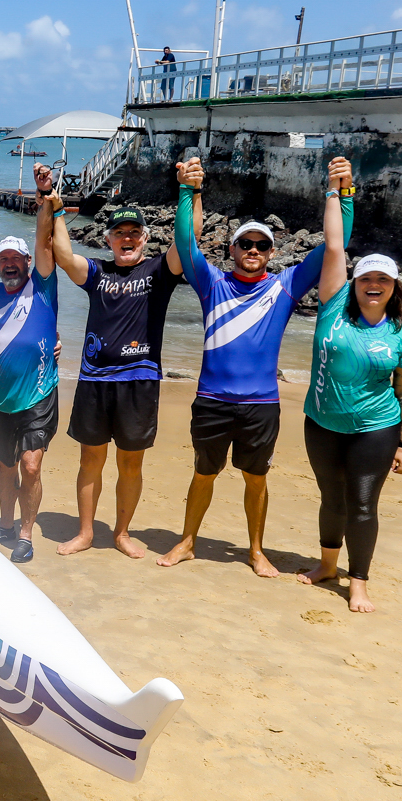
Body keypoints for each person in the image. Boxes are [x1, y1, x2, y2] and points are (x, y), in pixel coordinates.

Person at [156, 156, 355, 576]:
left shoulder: (285, 287)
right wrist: (188, 190)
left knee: (256, 479)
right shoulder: (212, 283)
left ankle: (256, 550)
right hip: (211, 401)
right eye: (245, 244)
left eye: (261, 245)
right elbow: (186, 243)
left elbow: (335, 247)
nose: (252, 251)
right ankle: (188, 541)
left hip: (261, 405)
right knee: (203, 474)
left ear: (272, 253)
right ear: (231, 250)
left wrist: (341, 192)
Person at [48, 198, 185, 558]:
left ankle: (122, 533)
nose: (127, 238)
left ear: (144, 239)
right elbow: (63, 257)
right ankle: (85, 532)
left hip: (139, 383)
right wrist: (58, 211)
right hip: (94, 381)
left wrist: (189, 192)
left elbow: (186, 240)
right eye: (120, 233)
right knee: (90, 459)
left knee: (130, 462)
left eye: (134, 233)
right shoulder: (98, 273)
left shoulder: (159, 272)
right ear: (108, 239)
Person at [297, 247, 402, 613]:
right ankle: (328, 566)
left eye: (383, 279)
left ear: (394, 287)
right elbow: (335, 246)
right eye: (366, 278)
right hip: (322, 424)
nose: (374, 285)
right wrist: (338, 193)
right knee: (330, 496)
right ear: (354, 284)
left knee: (363, 504)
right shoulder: (332, 312)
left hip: (377, 428)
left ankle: (359, 582)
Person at [0, 168, 65, 563]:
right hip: (1, 397)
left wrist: (44, 195)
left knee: (30, 466)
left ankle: (26, 534)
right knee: (6, 465)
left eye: (16, 259)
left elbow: (44, 240)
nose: (10, 264)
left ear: (28, 262)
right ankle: (4, 523)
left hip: (39, 394)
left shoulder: (42, 284)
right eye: (3, 260)